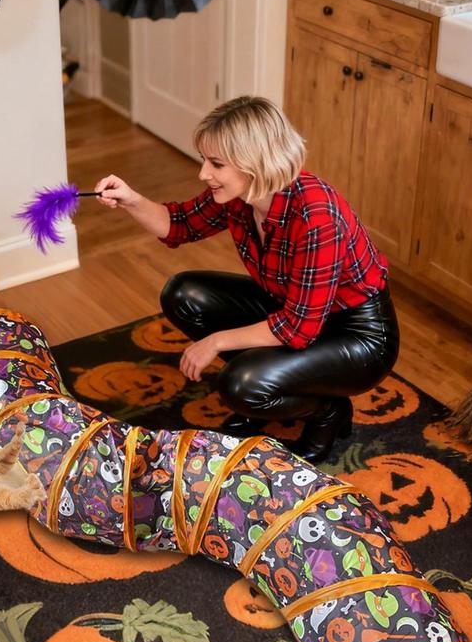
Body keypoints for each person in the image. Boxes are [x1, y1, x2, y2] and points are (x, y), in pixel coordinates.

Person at [94, 95, 400, 462]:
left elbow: (298, 329)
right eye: (205, 160)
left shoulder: (317, 216)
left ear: (255, 162)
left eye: (216, 164)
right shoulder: (242, 196)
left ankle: (326, 411)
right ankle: (272, 381)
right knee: (183, 293)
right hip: (293, 311)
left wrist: (216, 342)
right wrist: (130, 200)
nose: (203, 173)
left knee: (240, 385)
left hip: (357, 336)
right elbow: (178, 226)